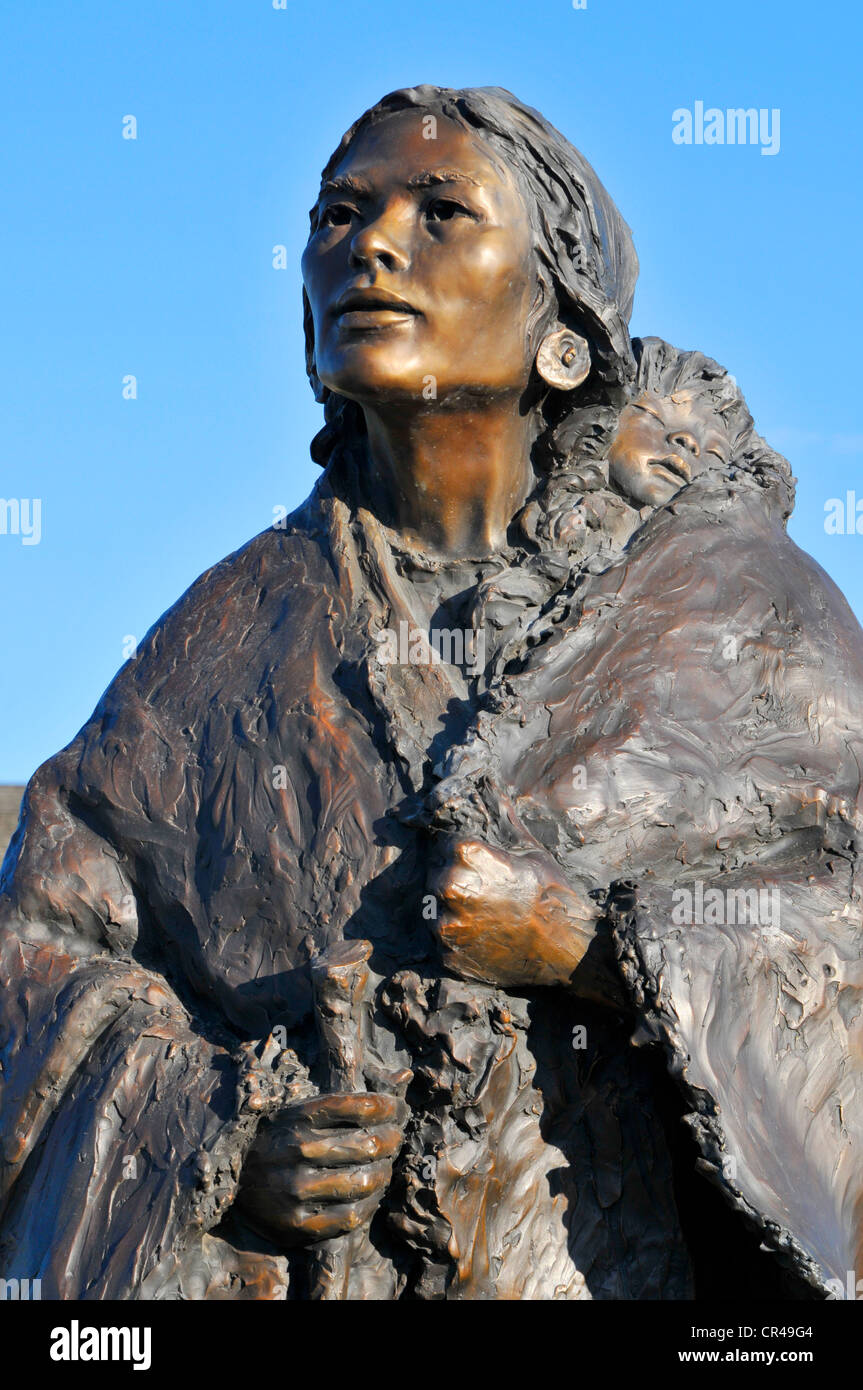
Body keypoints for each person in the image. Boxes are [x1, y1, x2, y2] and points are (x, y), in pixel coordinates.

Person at [0, 85, 858, 1301]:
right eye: (338, 214)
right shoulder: (224, 638)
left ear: (563, 329)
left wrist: (594, 946)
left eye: (441, 211)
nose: (372, 243)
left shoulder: (736, 610)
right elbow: (34, 950)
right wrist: (216, 1140)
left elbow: (845, 924)